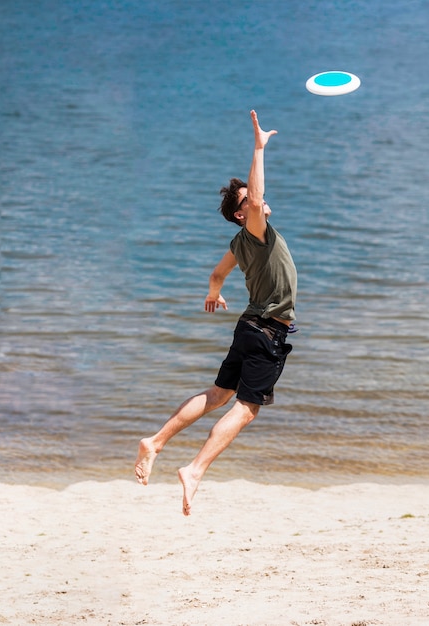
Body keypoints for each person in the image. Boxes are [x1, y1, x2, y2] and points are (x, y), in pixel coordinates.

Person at [134, 110, 297, 515]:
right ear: (244, 214)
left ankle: (155, 441)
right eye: (248, 202)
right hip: (266, 332)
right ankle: (194, 470)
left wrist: (214, 293)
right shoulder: (256, 232)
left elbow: (217, 272)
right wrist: (259, 149)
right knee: (245, 408)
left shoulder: (239, 242)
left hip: (248, 327)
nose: (257, 202)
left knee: (219, 394)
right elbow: (257, 197)